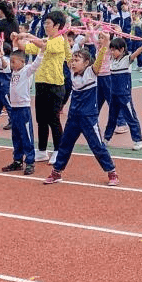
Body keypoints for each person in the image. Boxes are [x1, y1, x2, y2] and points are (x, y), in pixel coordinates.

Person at [44, 44, 119, 186]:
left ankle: (111, 171)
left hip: (88, 117)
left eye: (77, 60)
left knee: (97, 145)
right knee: (65, 144)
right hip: (73, 116)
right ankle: (57, 172)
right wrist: (65, 37)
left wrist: (105, 45)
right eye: (72, 60)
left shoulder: (92, 72)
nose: (73, 62)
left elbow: (99, 60)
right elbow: (66, 53)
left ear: (86, 63)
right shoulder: (72, 72)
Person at [19, 11, 71, 156]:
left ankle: (58, 150)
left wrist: (28, 36)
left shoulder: (59, 40)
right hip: (41, 84)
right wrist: (17, 38)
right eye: (45, 23)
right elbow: (27, 48)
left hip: (55, 85)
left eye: (48, 23)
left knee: (53, 119)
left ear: (57, 26)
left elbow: (44, 45)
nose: (45, 26)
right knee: (41, 119)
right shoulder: (45, 40)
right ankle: (42, 150)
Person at [1, 45, 43, 175]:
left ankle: (30, 161)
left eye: (14, 62)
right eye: (11, 62)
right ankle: (17, 160)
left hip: (23, 109)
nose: (12, 64)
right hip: (14, 108)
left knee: (26, 135)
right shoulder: (14, 71)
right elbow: (6, 62)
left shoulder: (26, 71)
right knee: (16, 136)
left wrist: (41, 50)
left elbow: (36, 64)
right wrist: (14, 43)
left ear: (22, 62)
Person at [102, 34, 142, 151]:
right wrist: (106, 36)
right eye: (111, 49)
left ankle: (138, 141)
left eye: (114, 50)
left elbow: (137, 52)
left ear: (122, 50)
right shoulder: (112, 60)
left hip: (124, 95)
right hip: (114, 95)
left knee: (131, 117)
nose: (111, 52)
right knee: (112, 118)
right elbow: (106, 45)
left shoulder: (127, 59)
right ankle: (106, 139)